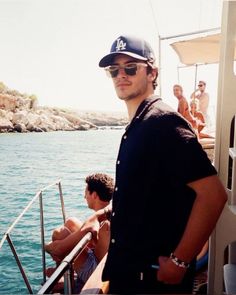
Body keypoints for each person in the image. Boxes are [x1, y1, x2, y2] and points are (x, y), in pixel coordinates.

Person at [70, 35, 226, 294]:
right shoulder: (140, 124)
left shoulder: (162, 123)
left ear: (152, 72)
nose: (121, 75)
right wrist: (105, 213)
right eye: (114, 70)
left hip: (151, 282)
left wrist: (179, 262)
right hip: (129, 275)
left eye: (131, 67)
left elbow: (213, 195)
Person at [45, 173, 114, 291]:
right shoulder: (110, 209)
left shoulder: (103, 224)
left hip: (96, 271)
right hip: (100, 257)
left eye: (86, 192)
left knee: (60, 234)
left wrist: (46, 246)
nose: (84, 196)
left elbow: (57, 249)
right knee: (71, 222)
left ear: (94, 195)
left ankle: (67, 279)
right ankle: (63, 272)